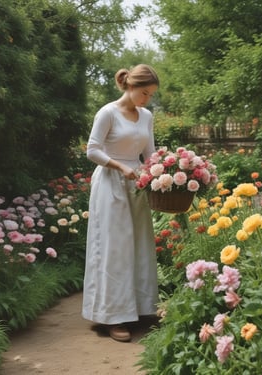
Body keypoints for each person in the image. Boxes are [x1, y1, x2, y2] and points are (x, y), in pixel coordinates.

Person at [82, 64, 160, 342]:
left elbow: (150, 154)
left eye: (150, 95)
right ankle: (113, 317)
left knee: (139, 244)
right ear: (131, 86)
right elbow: (92, 149)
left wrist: (165, 175)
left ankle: (141, 309)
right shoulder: (108, 112)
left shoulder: (146, 116)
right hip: (109, 183)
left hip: (137, 185)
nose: (146, 99)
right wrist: (119, 167)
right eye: (144, 92)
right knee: (114, 248)